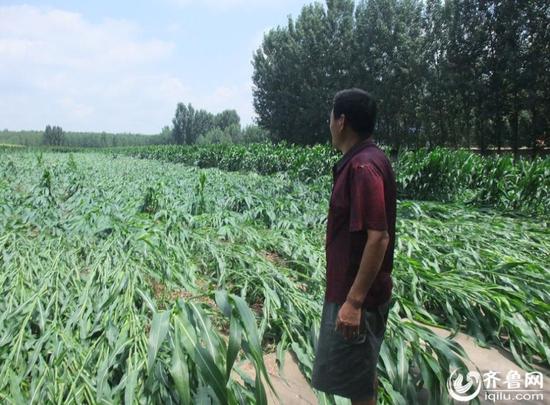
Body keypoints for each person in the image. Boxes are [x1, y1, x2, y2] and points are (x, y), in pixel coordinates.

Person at [311, 88, 397, 405]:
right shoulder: (367, 160)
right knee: (360, 376)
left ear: (342, 121)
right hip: (350, 290)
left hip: (356, 296)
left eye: (331, 117)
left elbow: (378, 237)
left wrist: (354, 302)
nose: (329, 124)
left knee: (359, 390)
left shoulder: (363, 168)